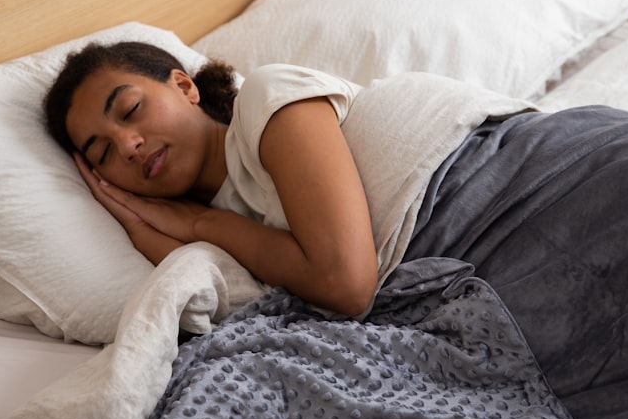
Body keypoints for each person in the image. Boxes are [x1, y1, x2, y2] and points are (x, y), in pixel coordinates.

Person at [44, 40, 380, 317]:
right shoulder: (205, 228)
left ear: (184, 86)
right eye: (103, 153)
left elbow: (347, 286)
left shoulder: (266, 99)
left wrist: (204, 222)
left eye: (131, 109)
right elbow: (240, 305)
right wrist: (138, 228)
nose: (128, 146)